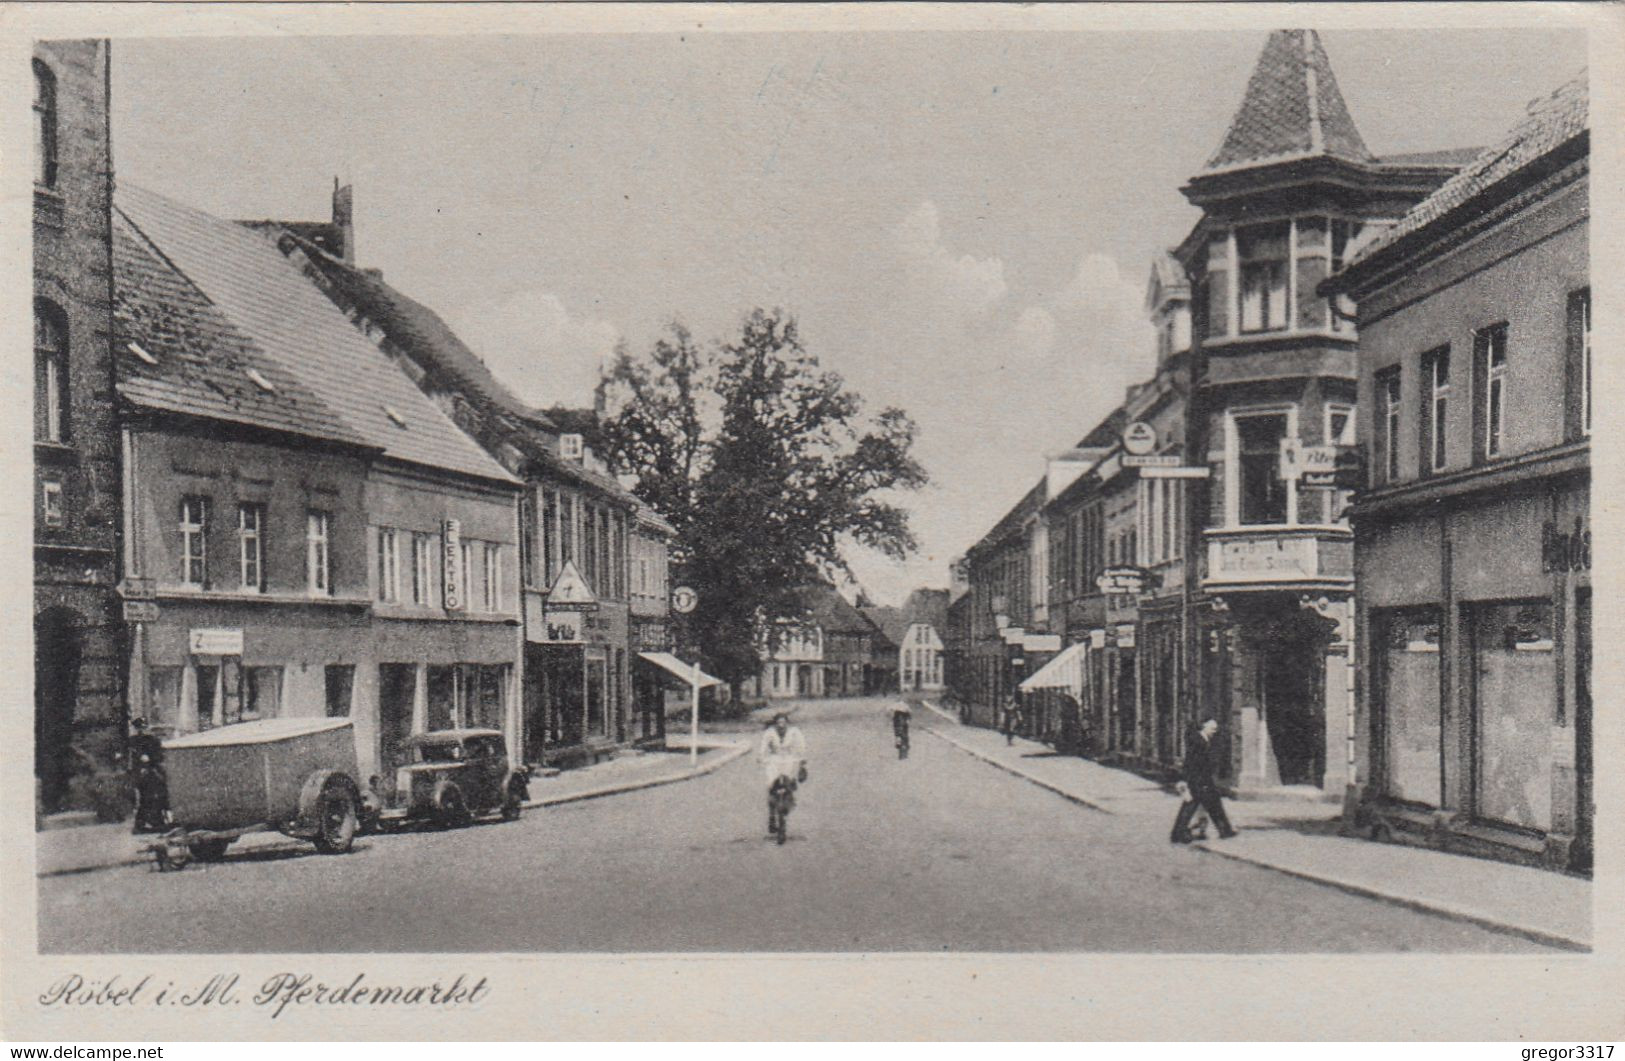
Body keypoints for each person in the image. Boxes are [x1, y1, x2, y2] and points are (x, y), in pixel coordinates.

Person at [1170, 717, 1236, 843]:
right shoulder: (1198, 741)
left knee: (1211, 805)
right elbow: (1191, 763)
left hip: (1202, 780)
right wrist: (1186, 781)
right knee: (1195, 806)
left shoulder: (1203, 740)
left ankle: (1224, 830)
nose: (1214, 731)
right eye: (1212, 729)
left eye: (1215, 729)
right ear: (1204, 727)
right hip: (1199, 781)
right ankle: (1178, 833)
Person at [758, 712, 807, 834]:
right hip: (774, 761)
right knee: (771, 786)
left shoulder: (794, 732)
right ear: (775, 724)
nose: (781, 725)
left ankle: (786, 808)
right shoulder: (769, 733)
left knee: (789, 785)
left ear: (787, 723)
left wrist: (802, 759)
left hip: (789, 761)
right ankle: (771, 816)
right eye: (778, 723)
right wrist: (761, 757)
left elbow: (801, 746)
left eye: (783, 722)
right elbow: (763, 747)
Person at [127, 718, 169, 835]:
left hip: (151, 773)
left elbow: (158, 756)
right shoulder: (135, 741)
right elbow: (141, 758)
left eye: (144, 727)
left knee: (154, 798)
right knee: (148, 798)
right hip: (144, 774)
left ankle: (156, 822)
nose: (142, 730)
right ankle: (145, 825)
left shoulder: (151, 740)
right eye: (140, 728)